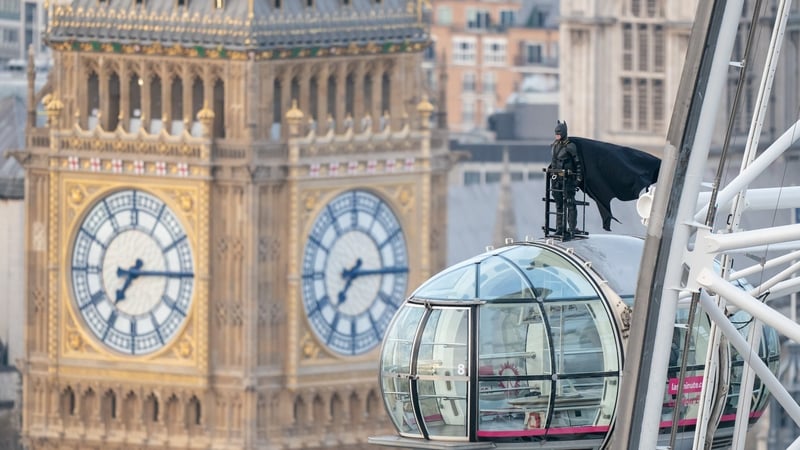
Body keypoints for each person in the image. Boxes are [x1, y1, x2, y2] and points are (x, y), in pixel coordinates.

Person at [549, 120, 582, 238]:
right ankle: (560, 227)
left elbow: (578, 164)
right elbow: (553, 163)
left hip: (568, 180)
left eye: (559, 132)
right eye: (556, 132)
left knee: (570, 203)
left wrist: (578, 178)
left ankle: (572, 228)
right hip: (556, 179)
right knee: (558, 204)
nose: (557, 134)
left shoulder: (570, 146)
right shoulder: (554, 146)